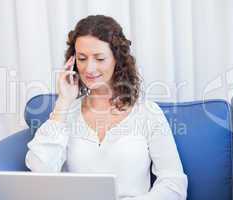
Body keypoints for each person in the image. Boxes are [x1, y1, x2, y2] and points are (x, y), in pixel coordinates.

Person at [25, 15, 188, 200]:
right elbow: (40, 172)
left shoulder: (147, 113)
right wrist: (63, 102)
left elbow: (174, 183)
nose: (89, 68)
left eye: (100, 58)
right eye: (82, 58)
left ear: (117, 60)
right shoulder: (65, 113)